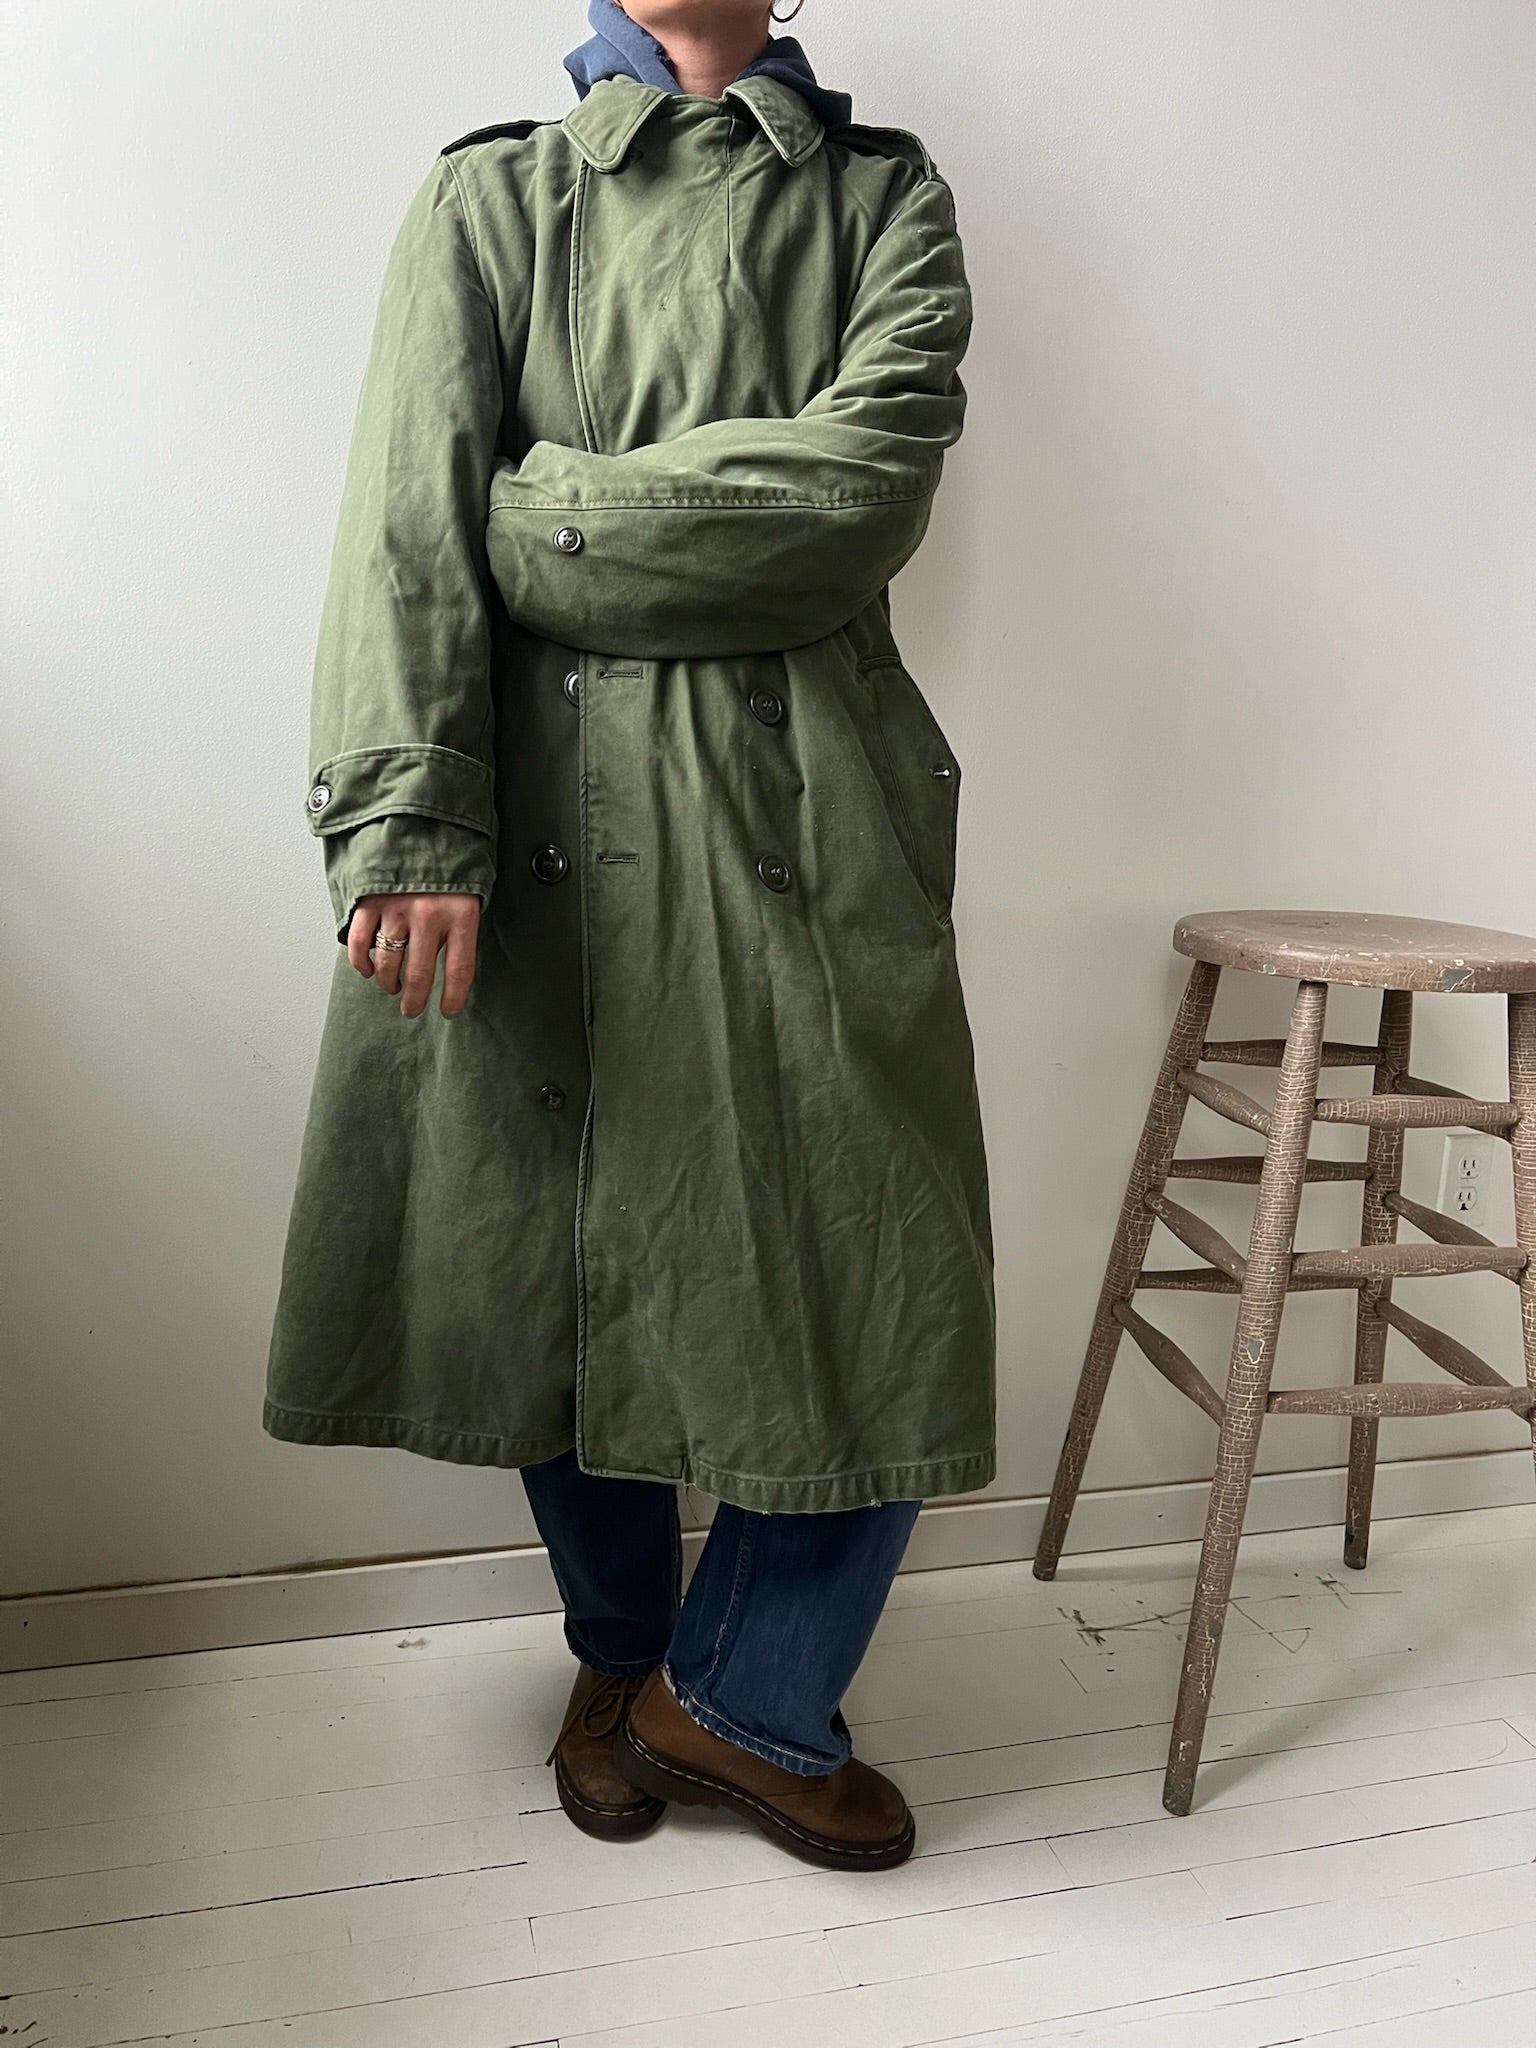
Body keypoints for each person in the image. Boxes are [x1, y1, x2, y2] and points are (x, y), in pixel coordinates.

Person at [263, 0, 996, 1872]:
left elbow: (856, 497)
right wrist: (410, 815)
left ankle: (734, 1695)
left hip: (808, 803)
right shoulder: (492, 198)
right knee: (546, 1233)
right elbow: (407, 528)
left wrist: (548, 513)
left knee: (880, 1251)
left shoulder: (884, 197)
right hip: (528, 815)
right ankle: (626, 1649)